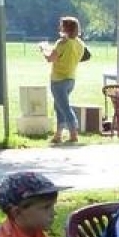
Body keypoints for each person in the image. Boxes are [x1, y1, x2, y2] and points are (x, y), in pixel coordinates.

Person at [39, 16, 87, 145]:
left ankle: (73, 134)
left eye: (61, 25)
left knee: (64, 107)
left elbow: (51, 58)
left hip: (58, 80)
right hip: (71, 79)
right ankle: (58, 135)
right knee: (58, 106)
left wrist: (43, 48)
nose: (59, 27)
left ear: (65, 28)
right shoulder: (80, 44)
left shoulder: (61, 43)